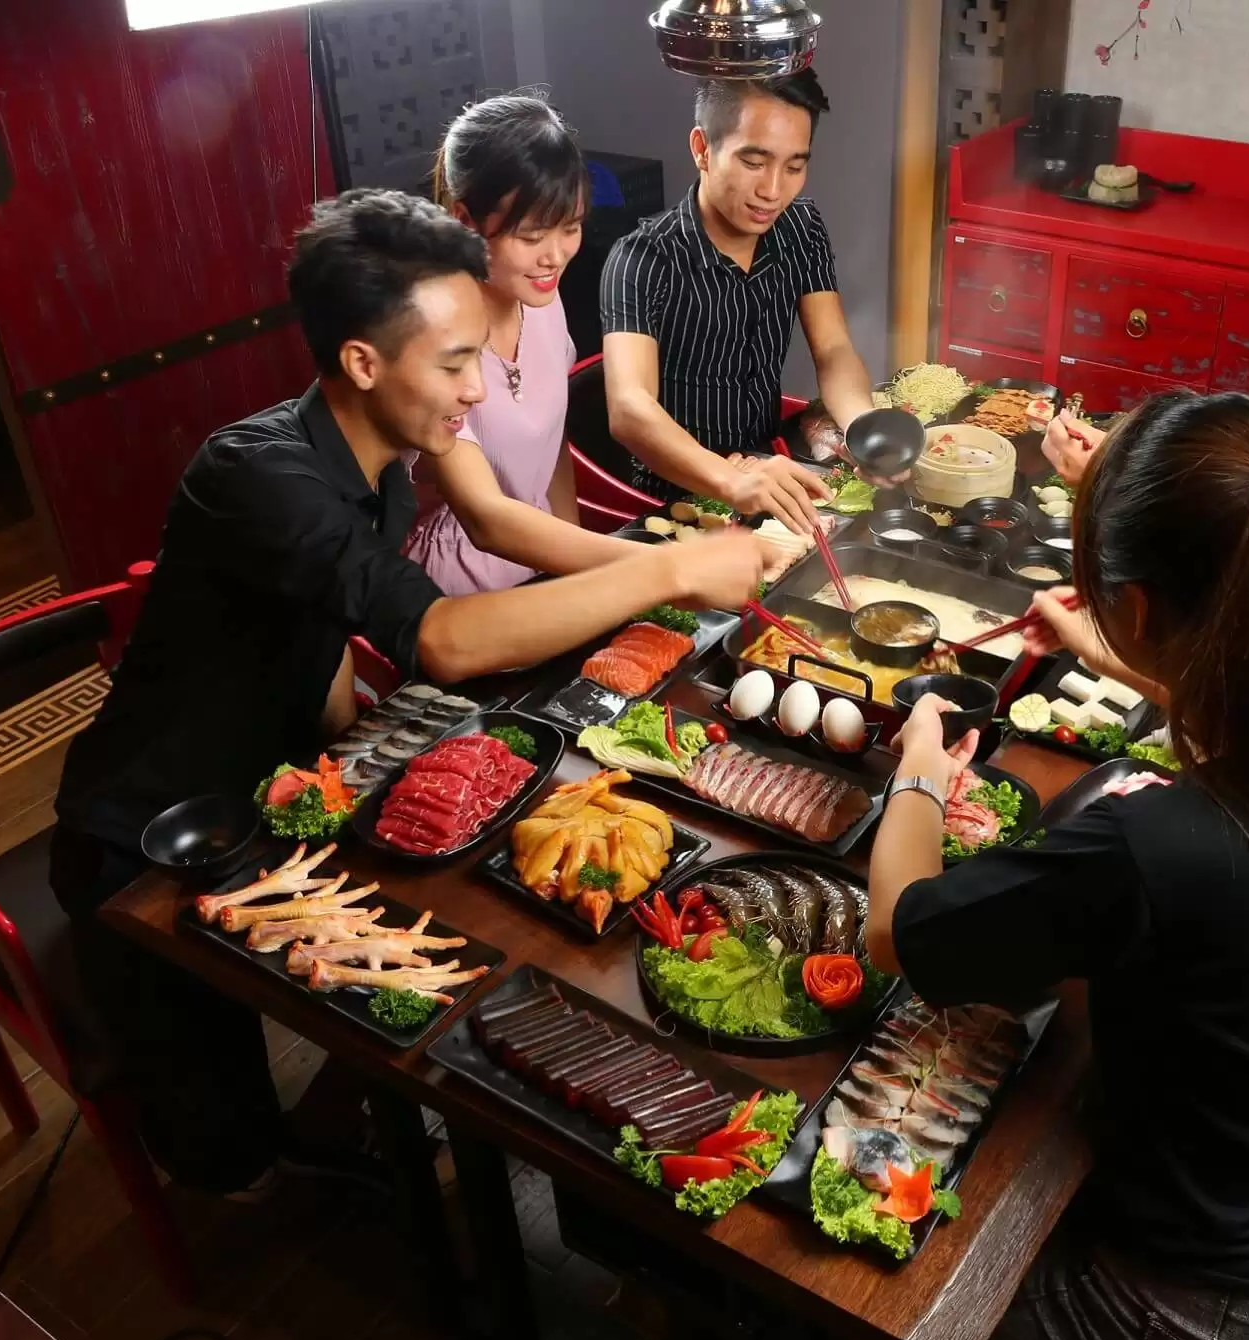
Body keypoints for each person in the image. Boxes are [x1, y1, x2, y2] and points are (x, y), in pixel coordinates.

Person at [50, 189, 766, 1195]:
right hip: (145, 832)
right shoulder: (257, 473)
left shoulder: (383, 463)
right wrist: (672, 569)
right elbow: (441, 639)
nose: (476, 388)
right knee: (228, 1164)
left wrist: (361, 765)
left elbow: (324, 633)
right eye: (454, 361)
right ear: (362, 363)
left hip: (272, 784)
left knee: (416, 959)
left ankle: (375, 1123)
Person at [864, 391, 1249, 1340]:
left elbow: (899, 931)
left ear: (1137, 608)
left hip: (1192, 1308)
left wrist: (921, 772)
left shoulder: (1158, 847)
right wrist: (1111, 653)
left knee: (872, 1320)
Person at [599, 68, 876, 535]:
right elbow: (630, 408)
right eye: (754, 162)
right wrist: (730, 479)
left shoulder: (800, 227)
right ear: (702, 149)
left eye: (794, 167)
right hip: (678, 496)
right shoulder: (642, 258)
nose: (773, 190)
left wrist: (866, 431)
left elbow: (833, 349)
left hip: (771, 470)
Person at [402, 93, 645, 594]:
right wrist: (656, 568)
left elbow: (553, 445)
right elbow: (487, 521)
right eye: (531, 237)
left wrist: (574, 565)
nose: (554, 257)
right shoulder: (428, 338)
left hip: (542, 559)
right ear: (467, 219)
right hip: (453, 587)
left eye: (571, 229)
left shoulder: (542, 302)